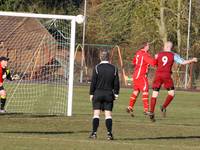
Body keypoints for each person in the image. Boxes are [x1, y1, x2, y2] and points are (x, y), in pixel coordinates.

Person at [149, 41, 198, 122]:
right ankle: (163, 107)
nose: (163, 47)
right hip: (166, 76)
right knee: (171, 93)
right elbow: (183, 62)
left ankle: (151, 111)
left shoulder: (158, 54)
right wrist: (192, 60)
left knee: (154, 94)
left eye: (164, 46)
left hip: (158, 75)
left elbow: (154, 63)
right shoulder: (173, 55)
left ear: (167, 47)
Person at [89, 49, 120, 140]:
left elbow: (93, 82)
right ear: (109, 57)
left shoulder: (97, 67)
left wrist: (91, 93)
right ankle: (109, 134)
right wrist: (116, 94)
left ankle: (94, 133)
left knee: (96, 114)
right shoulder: (114, 68)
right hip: (109, 94)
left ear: (100, 57)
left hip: (98, 93)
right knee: (108, 115)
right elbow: (116, 83)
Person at [126, 43, 156, 116]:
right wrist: (156, 58)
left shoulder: (138, 53)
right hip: (141, 76)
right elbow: (153, 63)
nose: (149, 46)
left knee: (136, 91)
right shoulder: (145, 54)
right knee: (145, 90)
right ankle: (146, 110)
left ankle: (130, 107)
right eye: (148, 45)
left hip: (135, 75)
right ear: (145, 46)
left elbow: (134, 63)